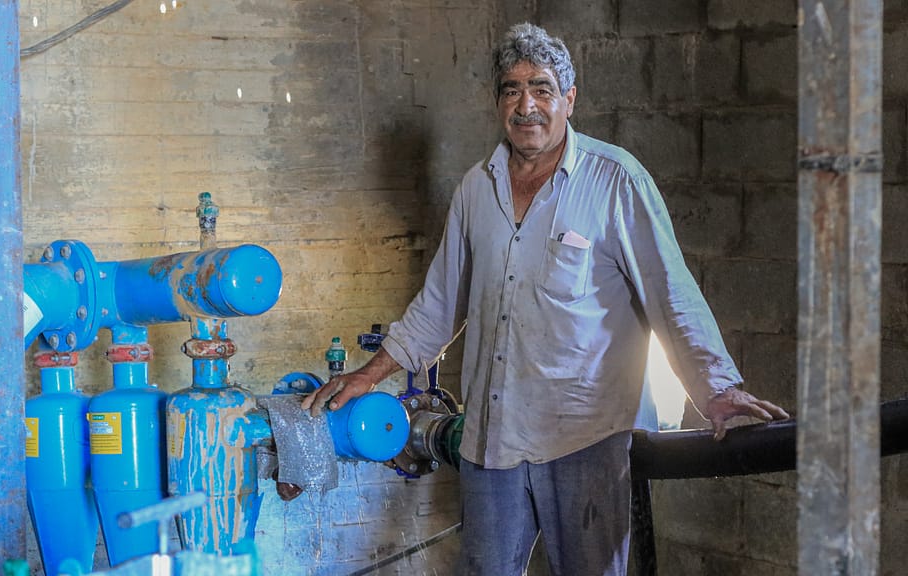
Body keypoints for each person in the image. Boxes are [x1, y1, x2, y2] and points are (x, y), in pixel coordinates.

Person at [303, 22, 789, 576]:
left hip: (585, 436)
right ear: (497, 103)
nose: (526, 105)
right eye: (511, 90)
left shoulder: (614, 181)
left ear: (569, 100)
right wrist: (370, 375)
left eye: (541, 88)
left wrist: (717, 390)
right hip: (493, 439)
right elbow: (439, 303)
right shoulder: (476, 189)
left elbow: (670, 294)